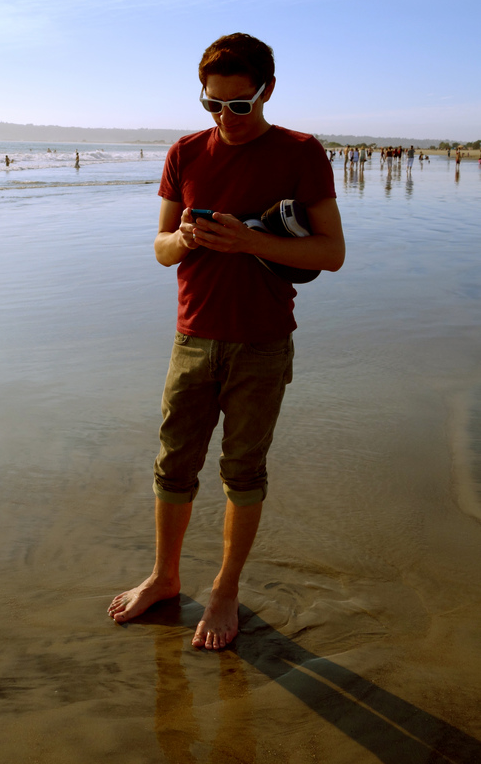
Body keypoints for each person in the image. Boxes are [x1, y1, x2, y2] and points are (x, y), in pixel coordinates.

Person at [107, 33, 345, 650]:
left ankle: (224, 589)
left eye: (238, 106)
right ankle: (164, 577)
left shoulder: (301, 152)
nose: (225, 119)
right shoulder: (185, 153)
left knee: (242, 472)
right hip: (192, 338)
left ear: (266, 91)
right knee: (173, 464)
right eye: (212, 105)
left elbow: (331, 253)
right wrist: (186, 239)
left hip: (262, 343)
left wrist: (251, 242)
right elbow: (159, 250)